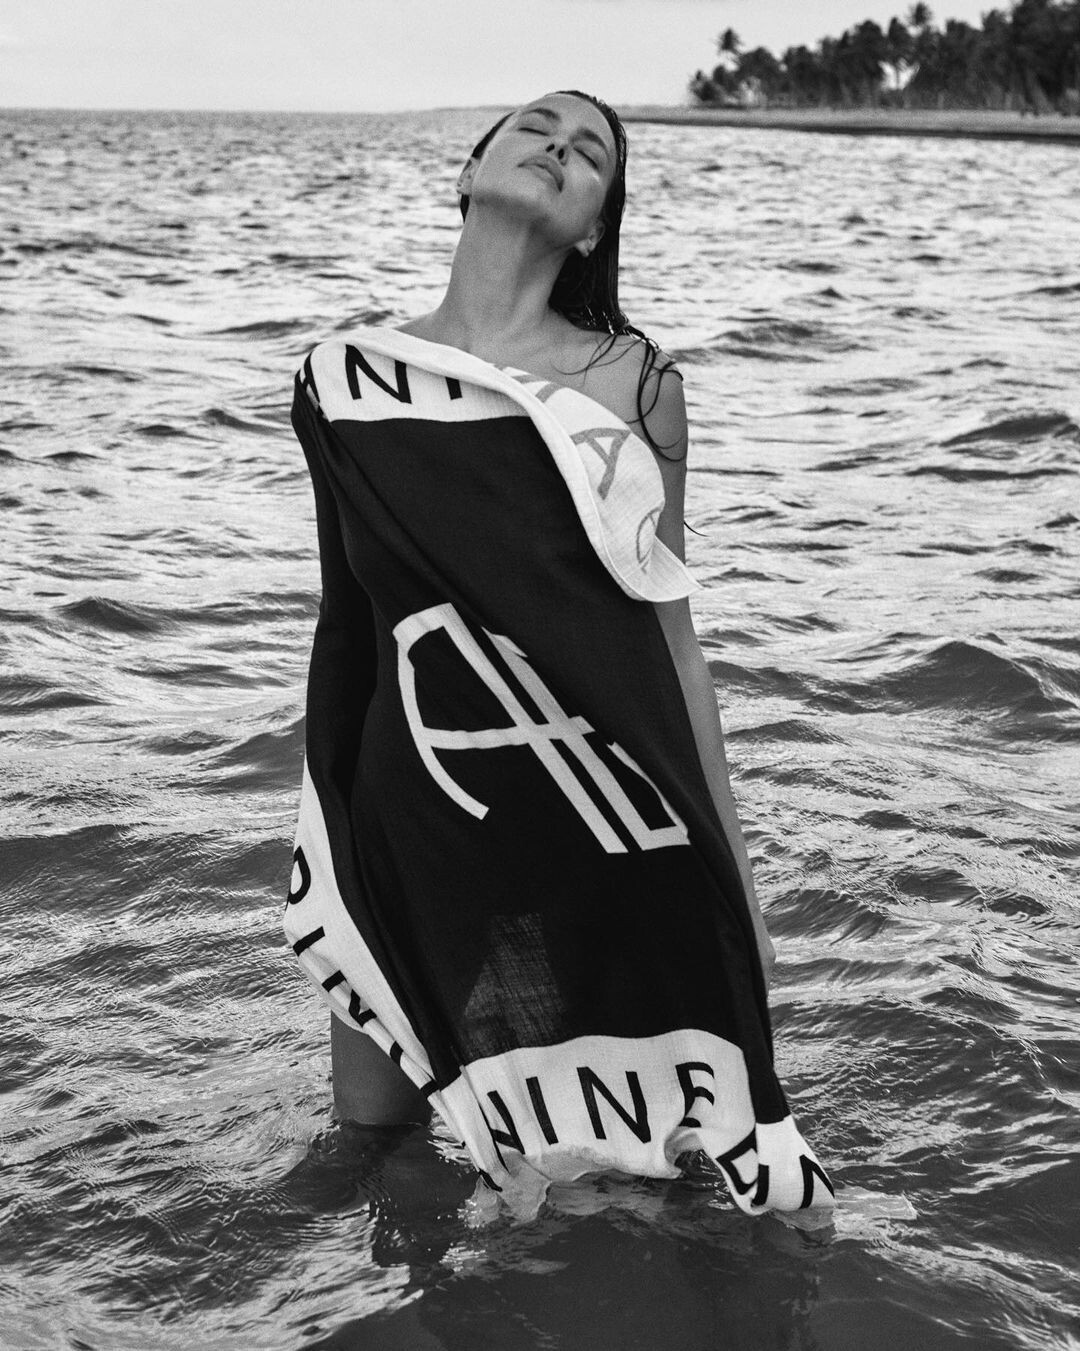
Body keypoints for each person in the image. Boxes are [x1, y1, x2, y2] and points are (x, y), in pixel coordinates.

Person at [285, 91, 831, 1214]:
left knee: (625, 1178)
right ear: (473, 166)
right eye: (538, 127)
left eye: (591, 155)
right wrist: (333, 827)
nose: (558, 148)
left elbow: (670, 637)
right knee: (372, 1150)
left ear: (592, 228)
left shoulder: (631, 382)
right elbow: (348, 624)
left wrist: (734, 871)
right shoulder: (346, 378)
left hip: (591, 822)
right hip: (418, 819)